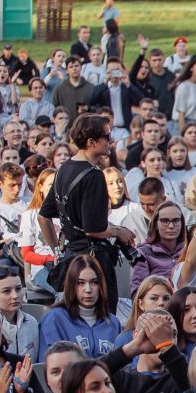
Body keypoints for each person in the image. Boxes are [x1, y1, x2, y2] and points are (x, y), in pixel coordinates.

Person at [40, 114, 136, 308]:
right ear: (92, 142)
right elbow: (93, 228)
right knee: (103, 317)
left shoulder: (63, 169)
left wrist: (57, 251)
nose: (112, 141)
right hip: (93, 262)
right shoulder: (94, 176)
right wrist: (118, 231)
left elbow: (44, 217)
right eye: (107, 137)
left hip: (71, 258)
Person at [39, 256, 121, 359]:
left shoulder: (113, 323)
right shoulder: (54, 319)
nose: (88, 289)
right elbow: (48, 367)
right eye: (80, 283)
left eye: (94, 282)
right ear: (71, 285)